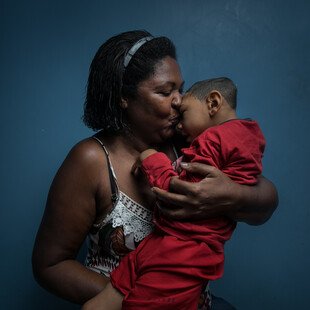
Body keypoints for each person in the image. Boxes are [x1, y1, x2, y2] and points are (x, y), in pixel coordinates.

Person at [32, 30, 278, 309]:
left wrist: (232, 195)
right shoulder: (91, 160)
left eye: (180, 89)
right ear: (124, 97)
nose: (179, 100)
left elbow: (267, 201)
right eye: (165, 91)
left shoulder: (188, 141)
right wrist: (142, 299)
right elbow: (50, 265)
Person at [83, 77, 265, 310]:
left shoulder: (212, 139)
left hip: (181, 251)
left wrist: (151, 158)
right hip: (163, 245)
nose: (179, 118)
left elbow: (180, 194)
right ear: (125, 98)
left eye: (184, 109)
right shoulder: (246, 137)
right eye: (165, 91)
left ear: (213, 103)